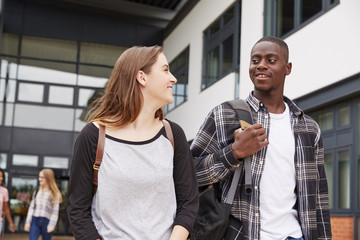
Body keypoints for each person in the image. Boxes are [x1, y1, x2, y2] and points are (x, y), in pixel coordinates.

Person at [191, 36, 331, 240]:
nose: (261, 66)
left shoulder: (309, 128)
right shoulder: (224, 115)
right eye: (255, 60)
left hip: (295, 236)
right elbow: (190, 174)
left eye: (271, 60)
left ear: (287, 68)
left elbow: (318, 197)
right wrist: (234, 153)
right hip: (242, 235)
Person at [67, 45, 199, 240]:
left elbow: (188, 203)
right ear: (142, 77)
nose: (173, 78)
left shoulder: (173, 135)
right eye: (165, 70)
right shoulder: (93, 136)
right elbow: (77, 210)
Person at [24, 168, 62, 240]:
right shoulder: (37, 191)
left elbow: (55, 211)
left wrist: (52, 225)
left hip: (46, 221)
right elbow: (32, 207)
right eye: (39, 177)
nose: (39, 179)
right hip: (35, 220)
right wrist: (28, 222)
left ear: (48, 178)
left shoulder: (55, 193)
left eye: (42, 177)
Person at [0, 169, 15, 234]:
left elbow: (5, 208)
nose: (1, 178)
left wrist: (11, 223)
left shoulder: (4, 191)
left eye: (2, 176)